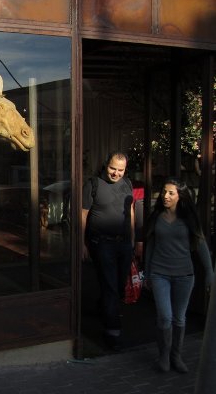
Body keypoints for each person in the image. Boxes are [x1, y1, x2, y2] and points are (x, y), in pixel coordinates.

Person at [145, 177, 214, 373]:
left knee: (179, 318)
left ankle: (176, 356)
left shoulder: (189, 219)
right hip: (159, 274)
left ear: (180, 196)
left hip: (184, 275)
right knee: (165, 317)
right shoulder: (156, 216)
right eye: (164, 192)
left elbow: (201, 245)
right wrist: (147, 273)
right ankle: (164, 356)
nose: (165, 196)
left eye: (170, 193)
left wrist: (209, 272)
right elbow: (150, 246)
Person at [82, 151, 137, 351]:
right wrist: (82, 242)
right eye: (113, 168)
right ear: (106, 165)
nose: (116, 173)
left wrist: (133, 239)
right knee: (111, 286)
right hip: (102, 243)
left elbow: (130, 212)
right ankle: (112, 332)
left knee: (119, 285)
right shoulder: (93, 184)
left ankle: (102, 307)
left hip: (124, 243)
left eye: (120, 170)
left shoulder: (127, 184)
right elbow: (83, 214)